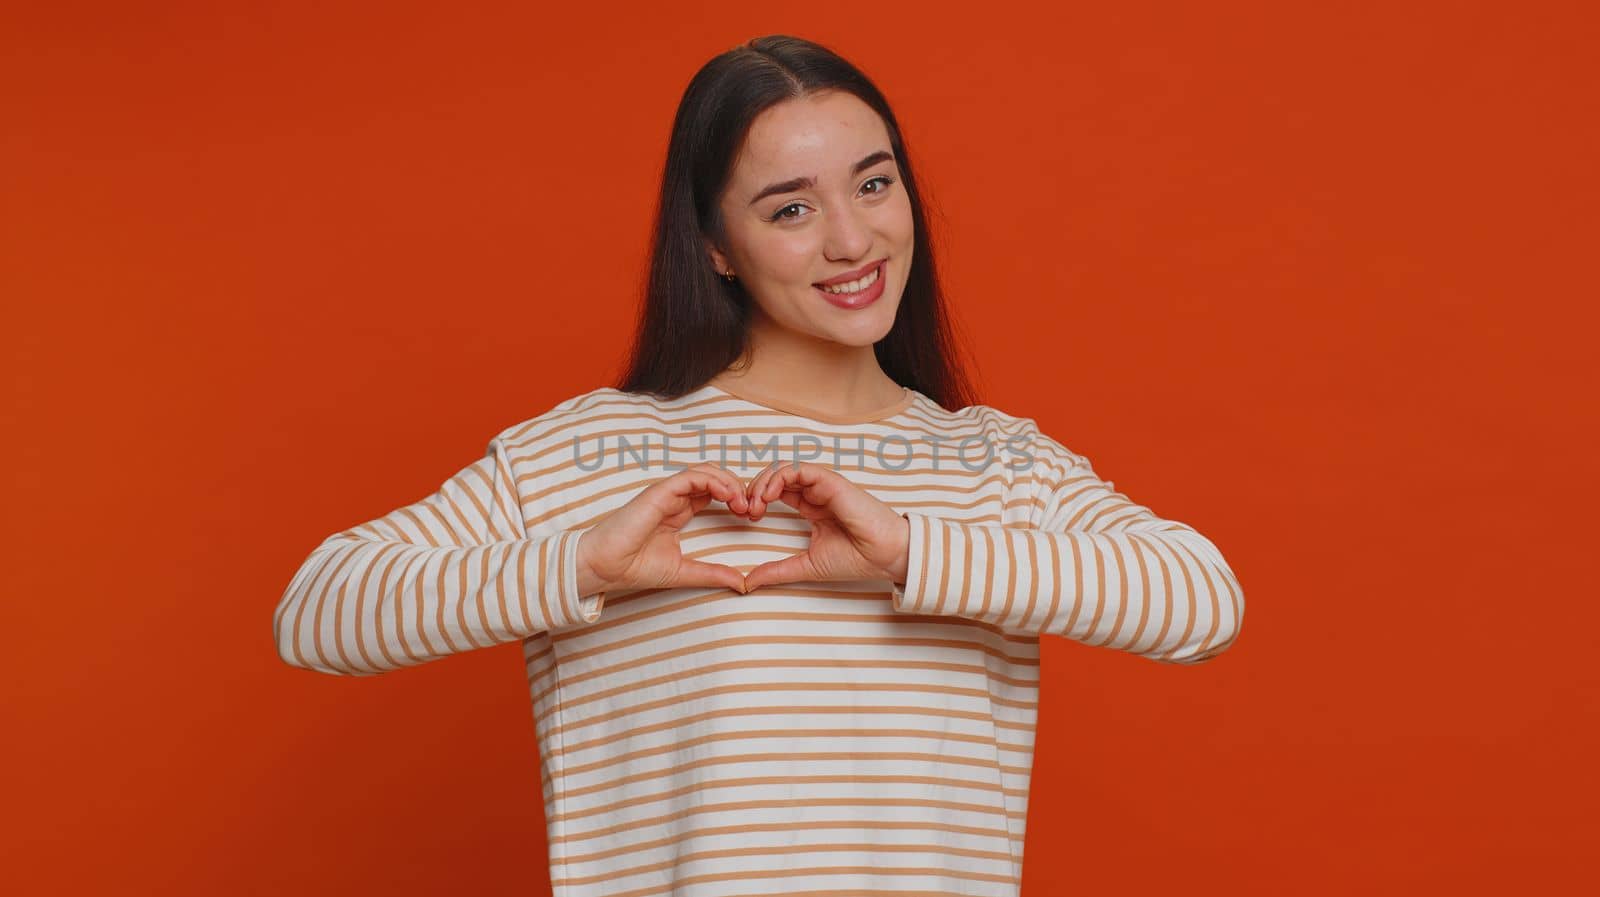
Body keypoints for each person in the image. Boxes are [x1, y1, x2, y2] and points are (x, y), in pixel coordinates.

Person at [273, 34, 1244, 897]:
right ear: (715, 248)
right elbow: (318, 613)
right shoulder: (589, 452)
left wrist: (910, 553)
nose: (853, 239)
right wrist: (583, 567)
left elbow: (1201, 603)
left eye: (874, 183)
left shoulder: (995, 461)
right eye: (789, 209)